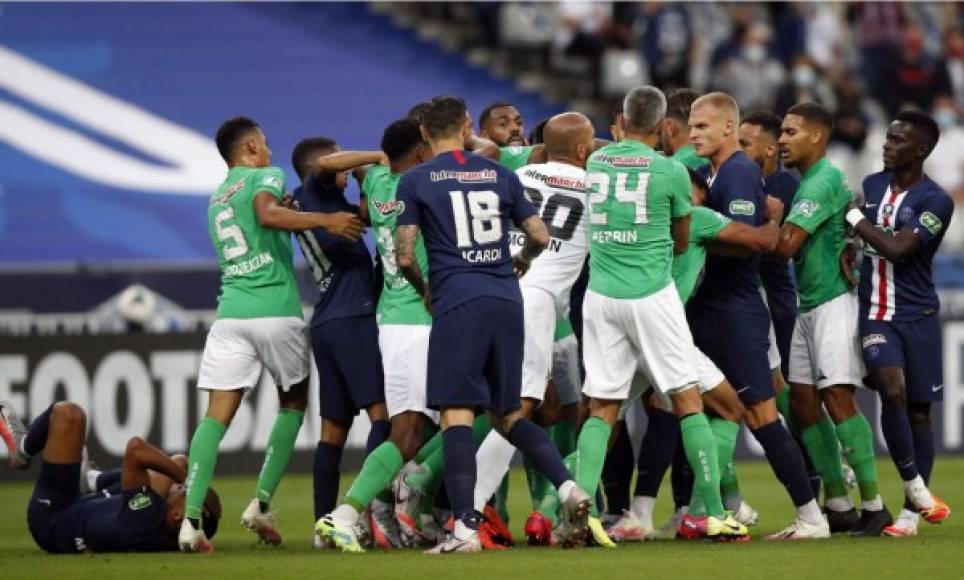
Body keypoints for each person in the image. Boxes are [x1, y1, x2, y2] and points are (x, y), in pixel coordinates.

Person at [393, 95, 591, 554]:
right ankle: (566, 487)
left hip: (458, 302)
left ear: (424, 133)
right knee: (508, 415)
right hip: (506, 298)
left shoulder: (416, 181)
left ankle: (464, 529)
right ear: (467, 127)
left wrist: (425, 286)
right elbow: (539, 235)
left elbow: (404, 256)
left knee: (457, 414)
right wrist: (520, 259)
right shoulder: (501, 174)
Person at [178, 117, 363, 552]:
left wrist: (285, 210)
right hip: (275, 311)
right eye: (264, 145)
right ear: (250, 148)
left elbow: (260, 216)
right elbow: (265, 212)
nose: (271, 152)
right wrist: (327, 220)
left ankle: (189, 521)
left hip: (230, 314)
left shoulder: (217, 198)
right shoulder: (267, 175)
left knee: (214, 417)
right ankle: (260, 503)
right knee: (294, 403)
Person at [574, 85, 748, 542]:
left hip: (601, 295)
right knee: (688, 401)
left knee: (603, 407)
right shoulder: (670, 171)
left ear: (622, 122)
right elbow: (683, 238)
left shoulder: (596, 161)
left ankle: (584, 511)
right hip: (651, 294)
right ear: (662, 126)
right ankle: (709, 512)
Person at [608, 168, 783, 542]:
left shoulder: (639, 219)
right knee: (729, 407)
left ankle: (570, 509)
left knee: (604, 418)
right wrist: (774, 216)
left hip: (621, 326)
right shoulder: (698, 218)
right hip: (664, 332)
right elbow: (764, 241)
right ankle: (707, 512)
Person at [687, 93, 827, 540]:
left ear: (729, 128)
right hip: (707, 308)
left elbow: (751, 242)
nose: (694, 135)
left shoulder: (740, 171)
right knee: (709, 409)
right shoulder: (713, 173)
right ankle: (719, 509)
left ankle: (812, 516)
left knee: (762, 414)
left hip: (735, 312)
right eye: (691, 127)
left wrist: (696, 233)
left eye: (703, 127)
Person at [469, 112, 594, 545]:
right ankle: (464, 513)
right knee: (514, 410)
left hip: (488, 289)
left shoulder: (517, 173)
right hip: (535, 300)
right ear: (583, 150)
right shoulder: (595, 187)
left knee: (494, 406)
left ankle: (463, 510)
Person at [316, 119, 440, 552]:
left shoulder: (378, 181)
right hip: (420, 321)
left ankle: (370, 506)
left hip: (390, 320)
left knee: (414, 426)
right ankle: (367, 505)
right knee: (430, 425)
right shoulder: (422, 184)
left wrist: (376, 158)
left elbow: (332, 169)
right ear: (421, 150)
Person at [774, 102, 890, 536]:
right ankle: (839, 506)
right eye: (782, 132)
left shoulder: (817, 183)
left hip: (832, 303)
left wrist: (764, 221)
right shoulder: (816, 180)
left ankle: (875, 506)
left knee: (838, 400)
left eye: (791, 132)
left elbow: (786, 245)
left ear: (817, 137)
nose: (783, 140)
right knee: (803, 404)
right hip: (809, 303)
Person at [846, 110, 953, 537]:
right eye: (887, 138)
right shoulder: (873, 185)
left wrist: (854, 219)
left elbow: (897, 250)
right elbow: (863, 241)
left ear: (920, 150)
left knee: (920, 412)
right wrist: (849, 245)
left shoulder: (936, 201)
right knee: (892, 391)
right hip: (876, 313)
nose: (886, 145)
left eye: (896, 140)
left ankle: (910, 513)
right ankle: (916, 487)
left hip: (918, 314)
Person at [288, 137, 395, 546]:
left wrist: (373, 183)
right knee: (382, 416)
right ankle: (360, 513)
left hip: (328, 321)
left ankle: (322, 527)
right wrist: (377, 157)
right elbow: (330, 163)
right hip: (352, 317)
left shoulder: (315, 205)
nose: (348, 170)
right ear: (321, 167)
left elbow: (370, 215)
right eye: (343, 164)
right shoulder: (313, 192)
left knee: (333, 430)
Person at [0, 401, 221, 553]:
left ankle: (22, 450)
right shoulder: (158, 524)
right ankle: (92, 480)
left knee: (69, 415)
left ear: (176, 515)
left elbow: (136, 449)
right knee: (175, 465)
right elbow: (178, 465)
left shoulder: (148, 517)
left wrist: (187, 479)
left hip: (52, 517)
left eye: (183, 491)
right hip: (81, 507)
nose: (178, 486)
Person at [659, 88, 709, 170]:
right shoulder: (718, 159)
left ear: (670, 127)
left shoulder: (668, 169)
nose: (660, 133)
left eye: (661, 126)